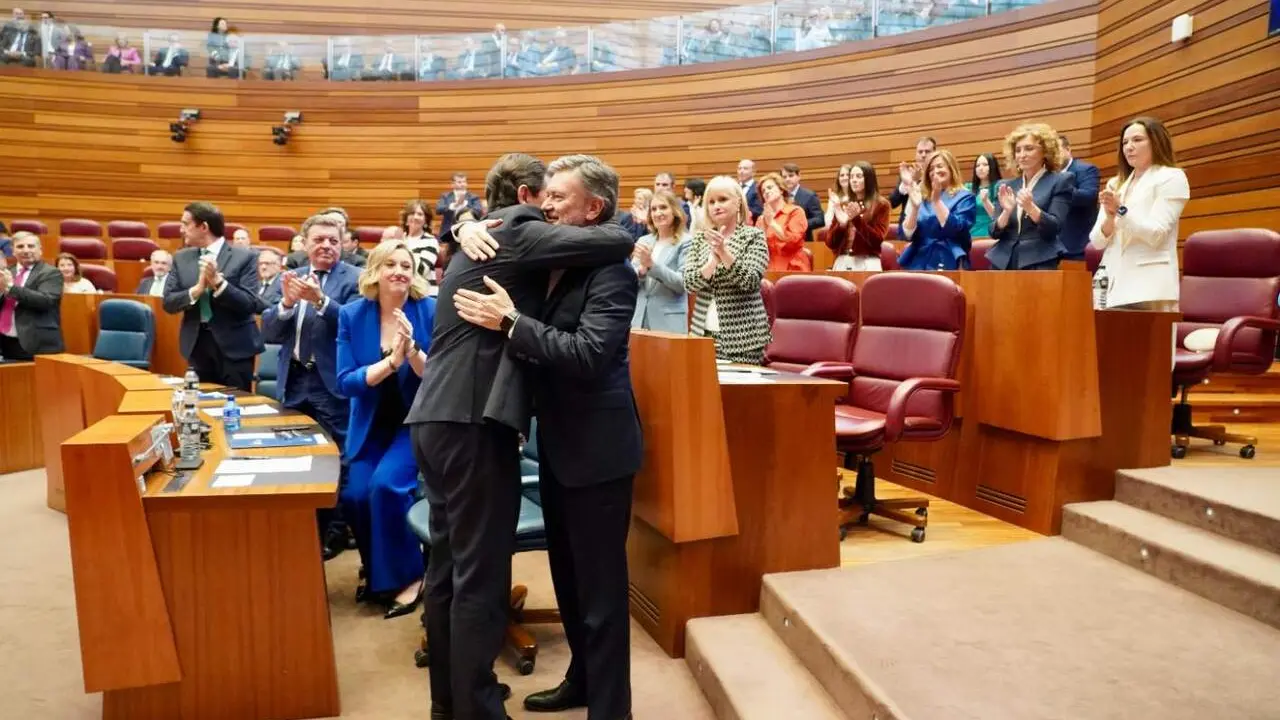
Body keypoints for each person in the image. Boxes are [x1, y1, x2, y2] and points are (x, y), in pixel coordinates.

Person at [405, 152, 634, 720]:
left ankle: (606, 708)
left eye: (560, 196)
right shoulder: (524, 240)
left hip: (593, 450)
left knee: (594, 594)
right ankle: (472, 705)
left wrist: (510, 318)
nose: (546, 204)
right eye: (544, 193)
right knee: (482, 574)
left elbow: (585, 353)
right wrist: (467, 225)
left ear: (595, 208)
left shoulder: (607, 271)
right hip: (489, 427)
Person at [336, 240, 436, 617]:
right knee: (356, 496)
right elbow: (345, 382)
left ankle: (411, 577)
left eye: (406, 266)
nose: (399, 271)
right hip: (371, 424)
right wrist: (390, 363)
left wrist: (410, 352)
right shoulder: (352, 314)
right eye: (390, 264)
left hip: (414, 423)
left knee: (386, 487)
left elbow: (438, 376)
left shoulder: (428, 309)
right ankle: (378, 570)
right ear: (375, 272)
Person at [261, 214, 363, 559]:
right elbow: (269, 332)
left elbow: (355, 325)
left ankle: (335, 533)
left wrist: (321, 301)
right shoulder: (289, 278)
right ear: (305, 244)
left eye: (333, 240)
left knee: (339, 460)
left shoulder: (354, 278)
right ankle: (306, 529)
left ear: (343, 244)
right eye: (319, 239)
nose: (326, 246)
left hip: (331, 382)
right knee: (298, 456)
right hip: (294, 378)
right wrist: (287, 304)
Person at [1089, 116, 1189, 311]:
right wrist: (1110, 218)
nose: (1129, 147)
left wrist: (1121, 211)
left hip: (1149, 285)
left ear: (1156, 141)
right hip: (1110, 284)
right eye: (1125, 142)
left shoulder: (1171, 177)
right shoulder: (1115, 183)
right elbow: (1097, 241)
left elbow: (1156, 234)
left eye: (1137, 140)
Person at [162, 201, 265, 390]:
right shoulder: (181, 257)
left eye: (185, 224)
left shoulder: (244, 257)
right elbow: (168, 302)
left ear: (203, 227)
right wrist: (197, 289)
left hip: (235, 348)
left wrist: (219, 283)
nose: (181, 229)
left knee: (236, 408)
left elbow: (250, 303)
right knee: (201, 408)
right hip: (196, 345)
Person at [683, 176, 771, 364]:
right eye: (711, 202)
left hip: (744, 339)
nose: (716, 206)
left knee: (738, 394)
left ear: (738, 201)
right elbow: (689, 284)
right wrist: (712, 263)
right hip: (702, 334)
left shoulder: (753, 236)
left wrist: (723, 252)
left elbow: (750, 282)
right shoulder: (700, 239)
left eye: (722, 199)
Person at [987, 123, 1076, 271]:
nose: (1022, 155)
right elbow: (993, 232)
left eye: (1029, 148)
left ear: (1045, 152)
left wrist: (1031, 208)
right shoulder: (1005, 185)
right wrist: (1006, 212)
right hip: (1003, 260)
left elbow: (1054, 228)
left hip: (1039, 259)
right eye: (1018, 150)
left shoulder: (1060, 180)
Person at [898, 149, 976, 271]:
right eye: (931, 169)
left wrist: (937, 201)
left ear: (951, 169)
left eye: (940, 166)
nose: (935, 171)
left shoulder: (965, 197)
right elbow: (907, 234)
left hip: (949, 258)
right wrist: (915, 207)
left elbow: (957, 229)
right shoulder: (922, 197)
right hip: (919, 259)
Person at [631, 189, 691, 332]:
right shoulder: (644, 241)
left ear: (674, 211)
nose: (658, 213)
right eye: (653, 209)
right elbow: (629, 280)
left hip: (669, 322)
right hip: (639, 318)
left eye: (663, 207)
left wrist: (651, 265)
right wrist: (641, 271)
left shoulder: (687, 242)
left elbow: (682, 283)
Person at [0, 232, 63, 360]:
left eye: (31, 246)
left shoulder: (51, 273)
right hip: (5, 341)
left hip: (36, 343)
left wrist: (10, 288)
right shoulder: (7, 272)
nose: (26, 250)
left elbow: (46, 301)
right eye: (20, 246)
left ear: (40, 250)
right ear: (13, 251)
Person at [824, 160, 890, 271]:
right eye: (852, 177)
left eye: (859, 176)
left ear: (869, 179)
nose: (854, 180)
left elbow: (877, 241)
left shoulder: (881, 205)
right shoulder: (844, 203)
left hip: (868, 261)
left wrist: (856, 220)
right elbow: (830, 243)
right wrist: (841, 225)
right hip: (842, 260)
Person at [1058, 134, 1101, 260]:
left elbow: (1088, 196)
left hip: (1077, 246)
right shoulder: (1045, 176)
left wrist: (1059, 186)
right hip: (1050, 248)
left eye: (1057, 150)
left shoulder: (1086, 170)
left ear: (1068, 149)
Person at [968, 152, 1001, 238]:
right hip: (970, 234)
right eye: (977, 165)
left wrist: (986, 201)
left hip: (990, 234)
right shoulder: (968, 188)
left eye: (985, 165)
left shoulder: (1000, 186)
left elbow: (999, 217)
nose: (980, 168)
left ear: (992, 167)